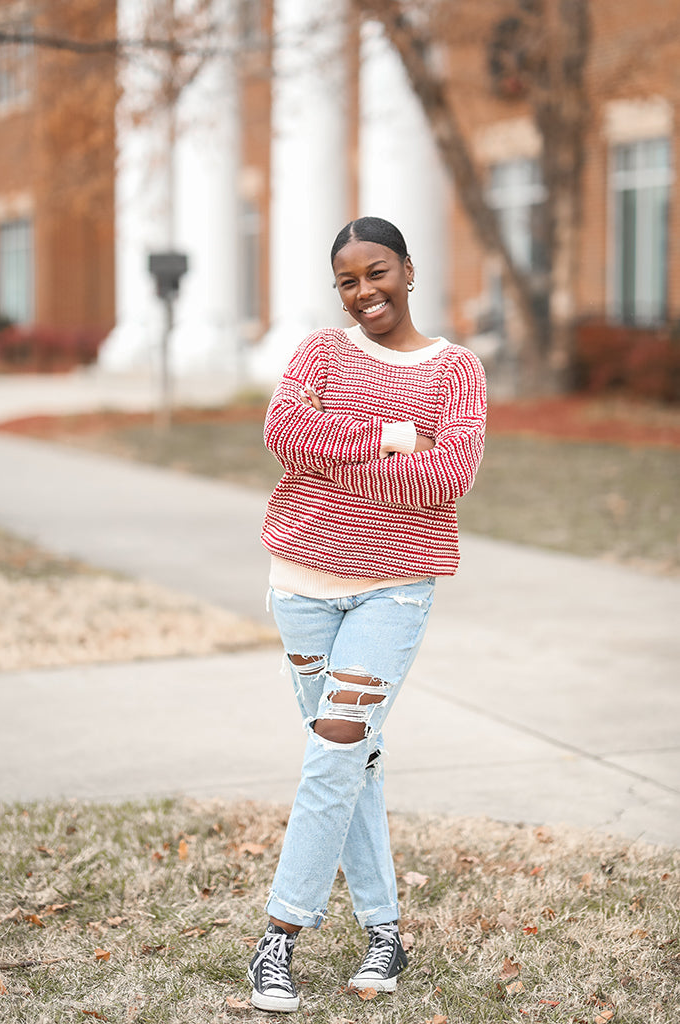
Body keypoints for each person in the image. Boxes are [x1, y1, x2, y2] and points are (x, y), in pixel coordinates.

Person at [248, 216, 486, 1013]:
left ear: (409, 271)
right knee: (348, 761)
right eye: (347, 281)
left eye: (376, 273)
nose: (363, 292)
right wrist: (394, 438)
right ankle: (385, 932)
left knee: (337, 746)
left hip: (394, 589)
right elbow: (285, 433)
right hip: (300, 583)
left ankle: (278, 935)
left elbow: (445, 477)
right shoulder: (318, 351)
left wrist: (332, 455)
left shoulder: (456, 371)